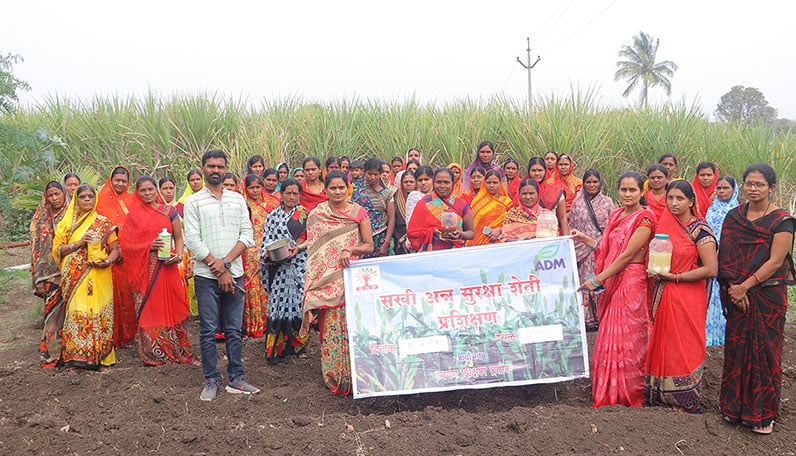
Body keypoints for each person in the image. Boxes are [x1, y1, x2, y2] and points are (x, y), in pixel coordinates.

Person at [718, 163, 794, 434]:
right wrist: (733, 289)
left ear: (771, 188)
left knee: (764, 352)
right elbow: (725, 255)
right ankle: (733, 409)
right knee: (736, 350)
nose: (753, 188)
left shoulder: (782, 221)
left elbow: (775, 261)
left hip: (766, 295)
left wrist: (745, 287)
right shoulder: (734, 217)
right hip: (736, 294)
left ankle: (762, 415)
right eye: (749, 183)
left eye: (759, 184)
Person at [572, 171, 656, 408]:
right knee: (608, 337)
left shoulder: (645, 218)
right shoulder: (618, 214)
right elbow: (607, 247)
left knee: (626, 338)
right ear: (617, 191)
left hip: (631, 283)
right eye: (623, 189)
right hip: (614, 280)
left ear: (642, 192)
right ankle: (608, 392)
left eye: (633, 190)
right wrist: (584, 238)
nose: (627, 194)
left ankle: (628, 393)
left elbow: (628, 255)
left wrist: (598, 280)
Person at [184, 149, 259, 401]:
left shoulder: (237, 200)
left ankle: (236, 379)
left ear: (226, 169)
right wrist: (216, 267)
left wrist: (225, 264)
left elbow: (247, 236)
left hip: (233, 272)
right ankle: (211, 380)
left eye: (220, 166)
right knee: (206, 329)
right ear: (203, 168)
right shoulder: (193, 202)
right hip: (206, 276)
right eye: (211, 166)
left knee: (234, 329)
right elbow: (192, 239)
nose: (216, 170)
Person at [645, 180, 717, 413]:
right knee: (663, 342)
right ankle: (660, 396)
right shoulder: (664, 225)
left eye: (680, 199)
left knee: (685, 346)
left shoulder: (699, 230)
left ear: (691, 201)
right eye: (670, 198)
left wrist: (676, 277)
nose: (674, 203)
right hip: (663, 291)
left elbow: (710, 269)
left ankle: (686, 399)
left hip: (686, 293)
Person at [301, 171, 374, 396]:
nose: (337, 192)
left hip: (352, 279)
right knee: (332, 328)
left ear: (348, 188)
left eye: (341, 187)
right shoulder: (317, 215)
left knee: (355, 327)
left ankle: (357, 377)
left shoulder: (359, 213)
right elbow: (315, 251)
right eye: (333, 188)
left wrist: (350, 249)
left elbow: (369, 245)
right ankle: (334, 376)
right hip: (329, 283)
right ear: (326, 190)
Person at [120, 176, 197, 366]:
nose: (147, 194)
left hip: (167, 268)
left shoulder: (169, 211)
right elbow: (126, 247)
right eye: (143, 191)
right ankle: (154, 355)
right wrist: (149, 245)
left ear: (157, 190)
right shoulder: (133, 217)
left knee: (171, 308)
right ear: (138, 193)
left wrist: (179, 255)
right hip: (144, 272)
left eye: (150, 189)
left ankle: (178, 353)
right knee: (150, 311)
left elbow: (178, 237)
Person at [52, 183, 120, 369]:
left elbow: (115, 250)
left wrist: (107, 262)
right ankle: (75, 359)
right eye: (83, 197)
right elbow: (57, 250)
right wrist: (80, 243)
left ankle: (102, 359)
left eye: (91, 196)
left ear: (95, 198)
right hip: (74, 278)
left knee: (99, 314)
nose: (87, 199)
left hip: (99, 276)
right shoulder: (66, 225)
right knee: (76, 312)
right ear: (77, 200)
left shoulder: (103, 223)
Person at [261, 178, 309, 364]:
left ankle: (298, 347)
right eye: (288, 193)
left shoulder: (305, 215)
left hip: (298, 265)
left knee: (297, 304)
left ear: (300, 196)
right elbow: (266, 240)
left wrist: (299, 248)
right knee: (277, 305)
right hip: (277, 267)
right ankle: (276, 348)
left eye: (295, 193)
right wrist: (268, 256)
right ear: (281, 195)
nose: (291, 197)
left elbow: (312, 238)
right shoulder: (272, 216)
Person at [569, 169, 615, 331]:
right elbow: (572, 226)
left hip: (601, 247)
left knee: (602, 280)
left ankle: (603, 315)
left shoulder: (607, 202)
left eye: (595, 181)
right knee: (586, 281)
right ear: (583, 184)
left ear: (600, 183)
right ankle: (588, 319)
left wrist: (606, 244)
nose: (592, 185)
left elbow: (613, 226)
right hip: (582, 249)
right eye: (588, 182)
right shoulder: (577, 203)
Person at [96, 166, 137, 348]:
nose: (120, 183)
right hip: (108, 257)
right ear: (111, 180)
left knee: (129, 296)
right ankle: (110, 336)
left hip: (131, 257)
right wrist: (112, 249)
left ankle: (129, 336)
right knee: (110, 297)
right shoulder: (100, 200)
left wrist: (126, 248)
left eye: (123, 180)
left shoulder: (133, 200)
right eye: (117, 180)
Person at [30, 181, 68, 367]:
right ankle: (52, 355)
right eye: (50, 195)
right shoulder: (40, 219)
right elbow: (36, 249)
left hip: (71, 272)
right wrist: (38, 276)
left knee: (72, 314)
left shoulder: (73, 215)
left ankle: (70, 354)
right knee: (52, 315)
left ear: (64, 194)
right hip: (49, 276)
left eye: (57, 194)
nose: (54, 199)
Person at [242, 173, 279, 338]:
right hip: (249, 250)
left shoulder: (272, 203)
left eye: (258, 187)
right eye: (252, 187)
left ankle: (269, 323)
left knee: (268, 286)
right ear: (246, 188)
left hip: (269, 248)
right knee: (254, 288)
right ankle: (255, 325)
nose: (255, 190)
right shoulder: (243, 204)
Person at [705, 176, 739, 346]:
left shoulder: (739, 211)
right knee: (711, 295)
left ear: (734, 190)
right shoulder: (711, 210)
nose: (722, 191)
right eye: (719, 188)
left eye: (726, 188)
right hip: (712, 258)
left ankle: (727, 334)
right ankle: (710, 334)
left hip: (731, 260)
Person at [408, 168, 475, 251]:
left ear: (453, 183)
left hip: (456, 254)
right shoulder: (424, 203)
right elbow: (412, 233)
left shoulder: (461, 205)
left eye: (446, 182)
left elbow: (471, 233)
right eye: (438, 182)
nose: (442, 186)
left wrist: (460, 234)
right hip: (431, 255)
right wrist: (433, 232)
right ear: (433, 183)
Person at [352, 158, 395, 258]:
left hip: (380, 238)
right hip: (360, 238)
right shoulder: (357, 190)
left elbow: (391, 219)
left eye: (376, 174)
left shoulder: (387, 193)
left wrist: (386, 243)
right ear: (364, 173)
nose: (372, 177)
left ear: (380, 174)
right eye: (369, 174)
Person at [469, 169, 513, 246]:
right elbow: (472, 224)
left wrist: (500, 230)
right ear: (484, 183)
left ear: (500, 184)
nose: (491, 185)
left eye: (495, 182)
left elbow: (512, 223)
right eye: (488, 182)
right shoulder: (477, 202)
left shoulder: (507, 202)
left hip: (501, 242)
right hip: (478, 243)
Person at [527, 157, 569, 234]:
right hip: (527, 236)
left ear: (545, 171)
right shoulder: (522, 191)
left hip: (551, 235)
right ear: (528, 172)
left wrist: (567, 239)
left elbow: (563, 218)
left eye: (540, 170)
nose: (537, 174)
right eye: (533, 170)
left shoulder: (556, 192)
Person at [392, 171, 416, 255]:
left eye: (411, 182)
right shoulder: (395, 197)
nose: (408, 184)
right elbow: (392, 221)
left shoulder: (421, 197)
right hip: (399, 240)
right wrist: (402, 241)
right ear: (401, 183)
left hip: (416, 240)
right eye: (406, 182)